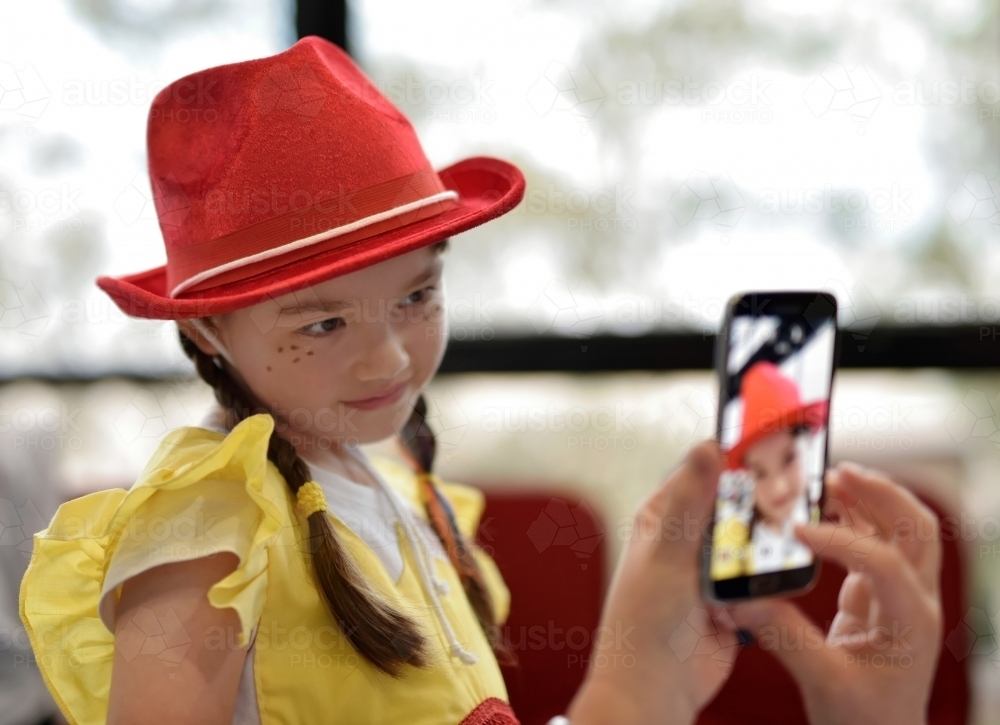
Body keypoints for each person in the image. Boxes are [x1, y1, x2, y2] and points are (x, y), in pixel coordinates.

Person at [18, 37, 943, 725]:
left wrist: (637, 684)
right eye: (325, 321)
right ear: (208, 327)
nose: (388, 358)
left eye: (419, 294)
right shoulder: (206, 520)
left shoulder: (394, 489)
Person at [711, 360, 827, 580]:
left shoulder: (829, 528)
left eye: (789, 459)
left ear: (808, 449)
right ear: (747, 475)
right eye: (760, 473)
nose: (779, 487)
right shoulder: (728, 538)